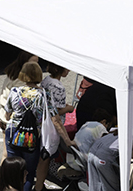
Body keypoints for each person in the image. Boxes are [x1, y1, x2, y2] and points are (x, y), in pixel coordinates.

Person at [4, 62, 57, 191]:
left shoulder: (15, 91)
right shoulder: (44, 94)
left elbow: (7, 114)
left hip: (13, 132)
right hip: (31, 136)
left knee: (13, 170)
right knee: (29, 172)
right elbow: (53, 116)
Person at [36, 62, 76, 191]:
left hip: (43, 121)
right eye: (66, 68)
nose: (68, 70)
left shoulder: (46, 79)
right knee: (45, 156)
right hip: (51, 126)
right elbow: (56, 111)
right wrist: (69, 108)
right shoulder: (58, 86)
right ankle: (39, 186)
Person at [0, 52, 40, 157]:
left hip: (4, 117)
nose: (36, 66)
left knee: (6, 153)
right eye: (33, 62)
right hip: (19, 122)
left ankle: (4, 173)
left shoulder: (12, 73)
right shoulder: (21, 83)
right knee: (19, 156)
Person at [87, 126, 133, 191]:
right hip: (104, 157)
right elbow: (132, 155)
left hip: (91, 153)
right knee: (110, 186)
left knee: (95, 185)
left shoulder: (113, 131)